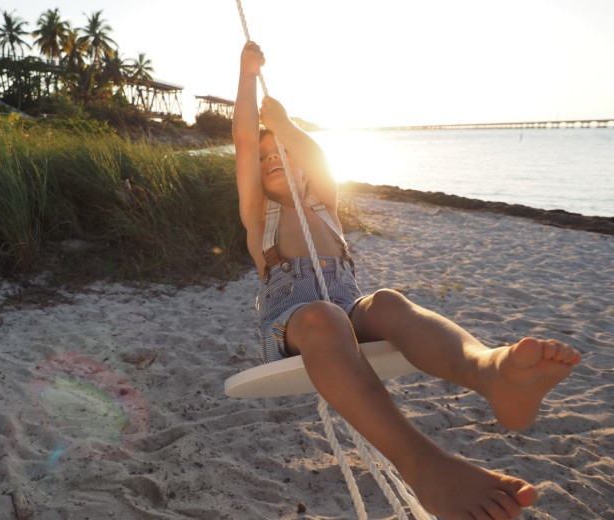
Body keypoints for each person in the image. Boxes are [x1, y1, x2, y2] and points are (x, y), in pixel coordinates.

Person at [232, 41, 582, 520]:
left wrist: (286, 124)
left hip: (349, 310)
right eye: (265, 157)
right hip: (295, 324)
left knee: (390, 303)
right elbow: (245, 141)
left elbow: (315, 156)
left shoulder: (324, 204)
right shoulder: (259, 215)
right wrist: (248, 76)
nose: (272, 156)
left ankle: (490, 371)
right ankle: (424, 464)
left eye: (284, 152)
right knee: (323, 317)